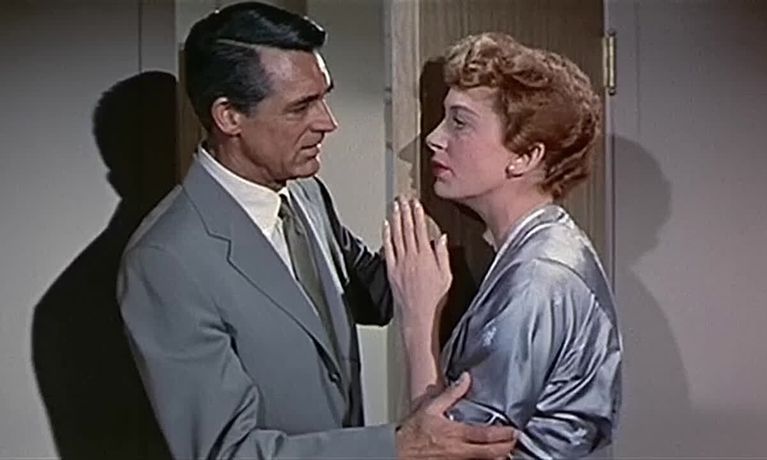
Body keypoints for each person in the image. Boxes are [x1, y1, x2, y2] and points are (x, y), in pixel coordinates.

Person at [117, 3, 517, 459]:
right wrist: (396, 447)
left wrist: (486, 201)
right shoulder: (166, 261)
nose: (327, 121)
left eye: (323, 97)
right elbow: (226, 452)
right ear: (229, 116)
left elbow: (378, 293)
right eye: (301, 107)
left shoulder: (306, 195)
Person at [383, 33, 622, 458]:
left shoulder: (537, 278)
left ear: (525, 156)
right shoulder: (539, 248)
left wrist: (418, 321)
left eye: (459, 122)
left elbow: (446, 450)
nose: (434, 138)